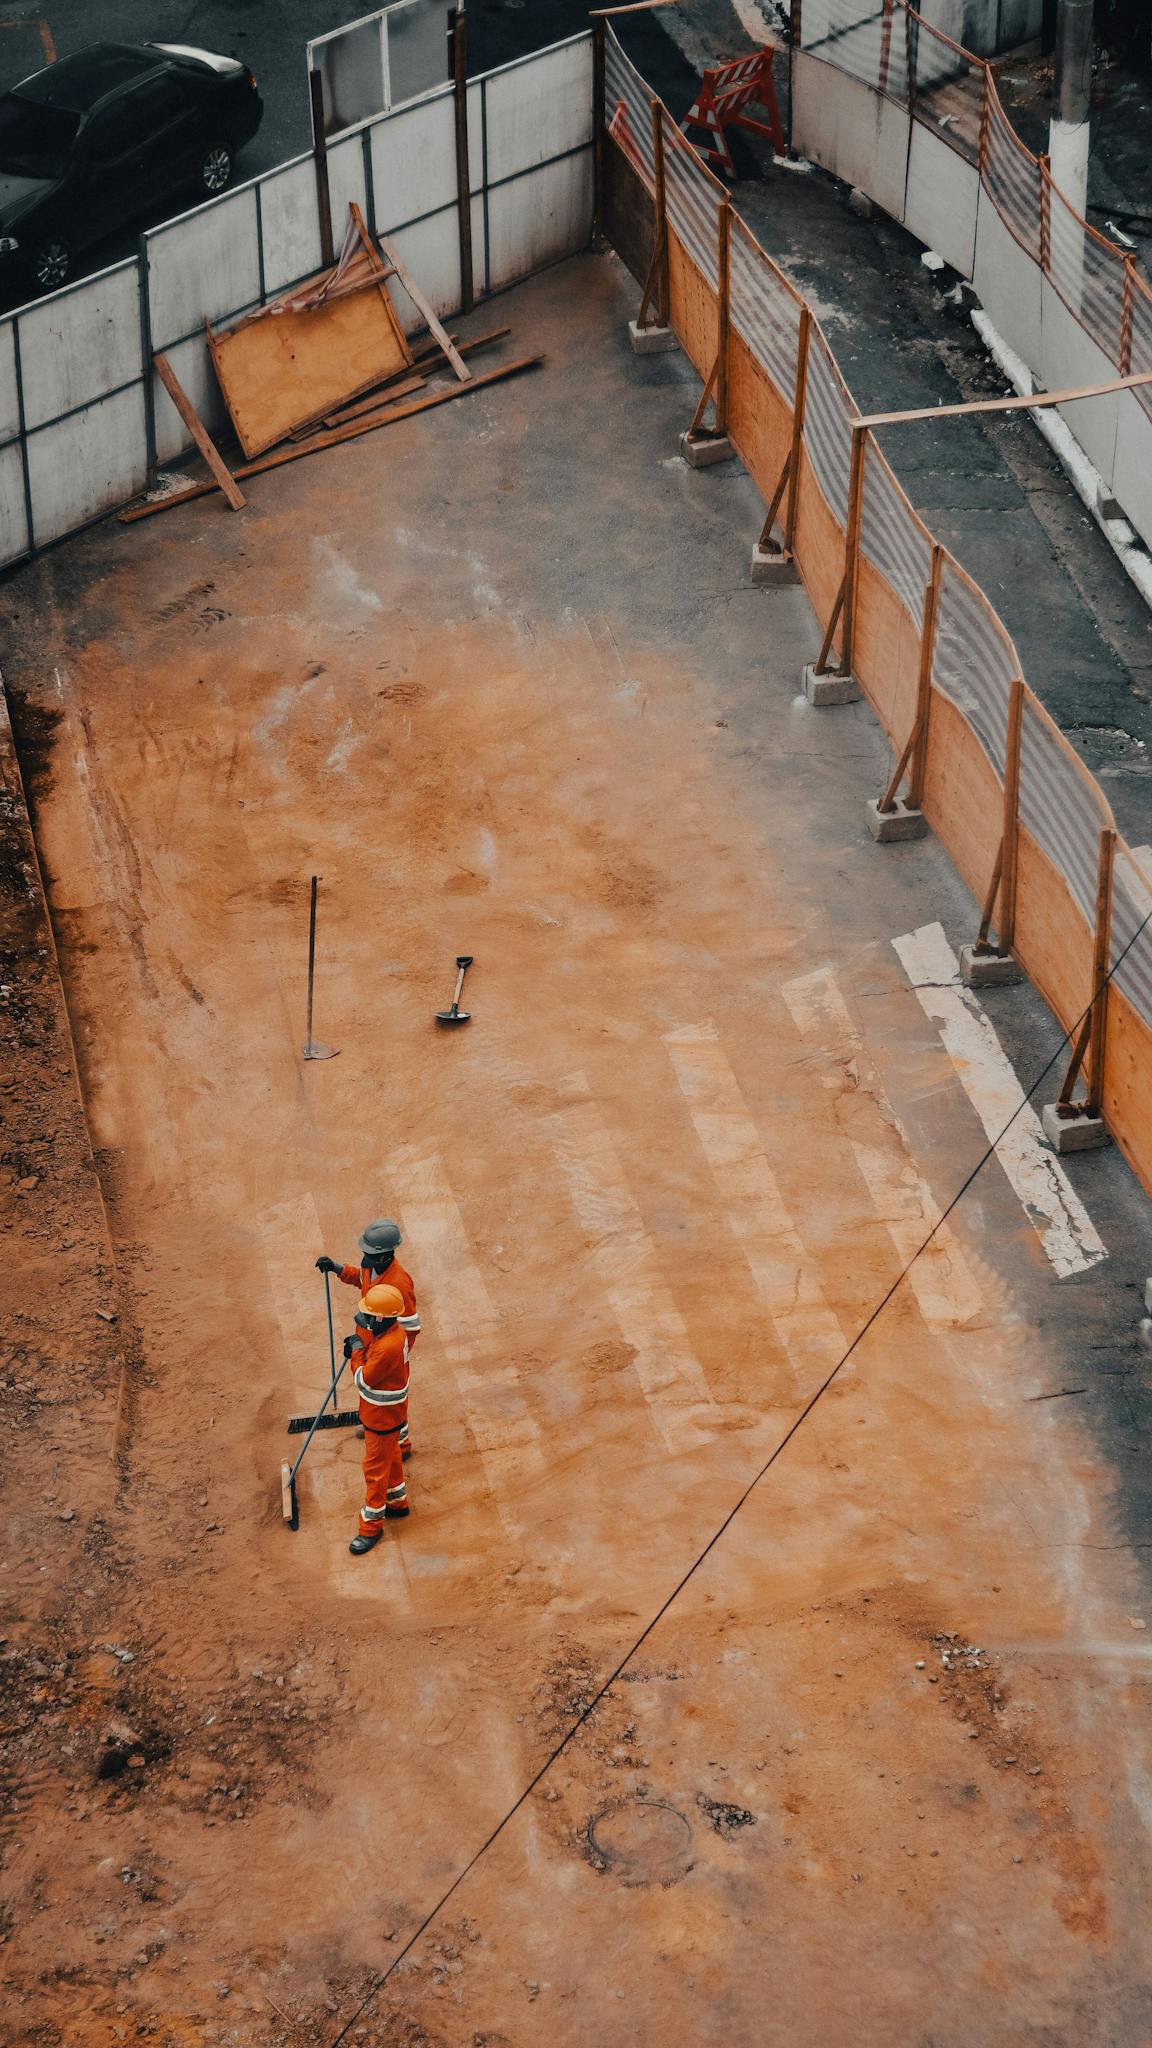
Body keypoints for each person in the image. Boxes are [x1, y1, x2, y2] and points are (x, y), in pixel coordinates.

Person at [317, 1219, 419, 1458]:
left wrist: (390, 1353)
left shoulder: (399, 1283)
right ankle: (374, 1426)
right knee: (370, 1393)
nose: (365, 1256)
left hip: (386, 1347)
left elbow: (411, 1326)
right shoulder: (371, 1266)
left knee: (389, 1397)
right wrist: (337, 1268)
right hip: (368, 1336)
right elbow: (363, 1282)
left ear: (385, 1255)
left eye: (369, 1253)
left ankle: (401, 1445)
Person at [343, 1282, 411, 1556]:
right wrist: (363, 1345)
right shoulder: (395, 1334)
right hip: (392, 1417)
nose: (365, 1320)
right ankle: (398, 1503)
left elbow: (364, 1381)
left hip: (381, 1419)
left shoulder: (386, 1348)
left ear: (382, 1318)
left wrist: (357, 1352)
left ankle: (371, 1527)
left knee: (374, 1471)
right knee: (391, 1458)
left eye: (369, 1317)